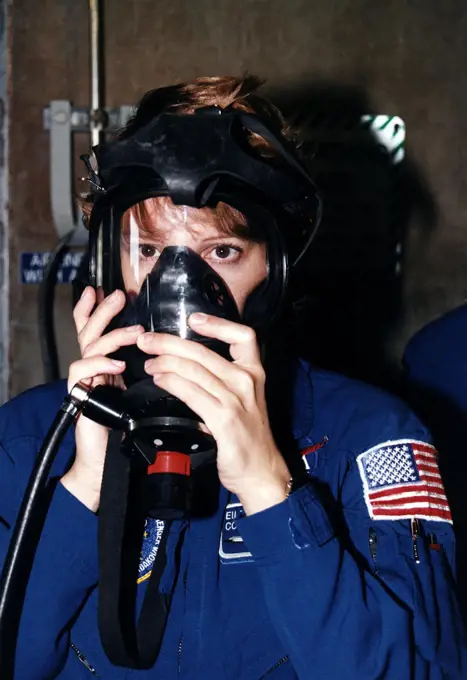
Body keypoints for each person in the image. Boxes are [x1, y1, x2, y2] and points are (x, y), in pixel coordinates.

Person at [0, 75, 465, 679]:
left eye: (221, 252)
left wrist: (272, 490)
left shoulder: (371, 440)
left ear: (275, 270)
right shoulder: (25, 442)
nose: (180, 285)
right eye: (149, 251)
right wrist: (86, 483)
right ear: (107, 259)